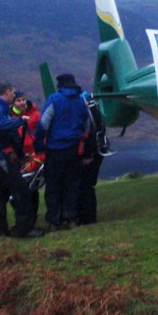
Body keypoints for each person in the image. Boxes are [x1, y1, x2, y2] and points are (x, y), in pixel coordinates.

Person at [0, 82, 43, 238]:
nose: (15, 96)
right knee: (21, 191)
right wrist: (19, 121)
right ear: (8, 92)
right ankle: (25, 229)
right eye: (13, 93)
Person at [37, 73, 90, 231]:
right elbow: (86, 125)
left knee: (53, 186)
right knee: (72, 184)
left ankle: (54, 220)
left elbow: (43, 124)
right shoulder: (81, 102)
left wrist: (39, 144)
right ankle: (72, 217)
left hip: (54, 150)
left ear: (59, 85)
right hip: (73, 150)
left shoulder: (54, 99)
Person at [77, 91, 109, 225]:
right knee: (89, 186)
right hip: (99, 150)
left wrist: (86, 156)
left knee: (84, 186)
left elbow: (89, 135)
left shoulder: (85, 114)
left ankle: (86, 219)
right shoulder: (94, 109)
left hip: (91, 154)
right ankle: (90, 218)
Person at [10, 91, 44, 217]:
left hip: (33, 155)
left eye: (23, 100)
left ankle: (31, 217)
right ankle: (24, 216)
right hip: (17, 156)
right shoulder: (9, 117)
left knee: (32, 187)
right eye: (18, 100)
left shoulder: (35, 115)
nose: (22, 102)